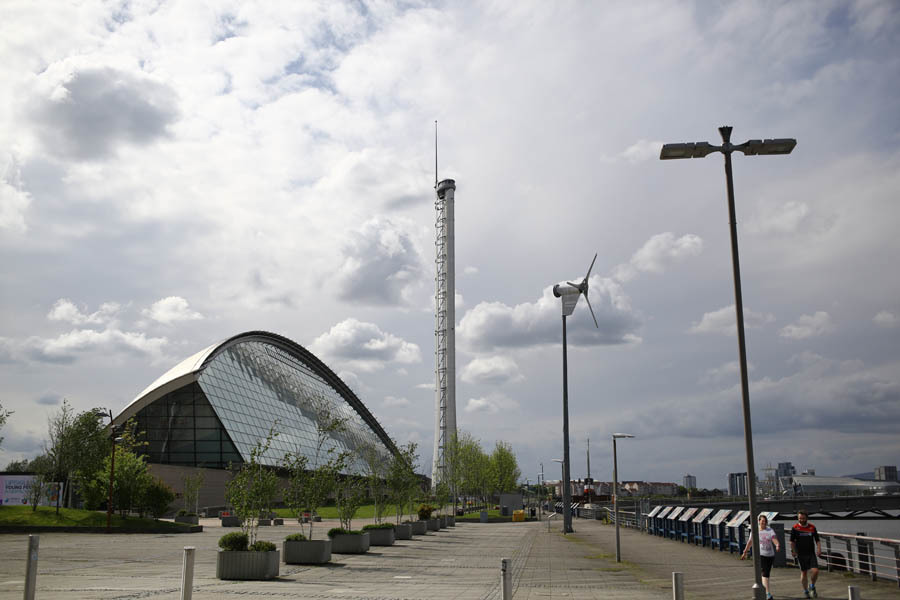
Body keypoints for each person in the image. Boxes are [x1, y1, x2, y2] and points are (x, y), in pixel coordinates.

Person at [741, 514, 781, 600]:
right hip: (760, 555)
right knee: (765, 573)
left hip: (770, 555)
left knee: (766, 573)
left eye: (765, 521)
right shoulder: (755, 531)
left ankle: (764, 590)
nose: (764, 523)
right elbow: (750, 542)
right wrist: (745, 552)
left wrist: (777, 545)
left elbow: (774, 538)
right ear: (759, 521)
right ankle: (767, 593)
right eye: (762, 521)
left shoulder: (770, 530)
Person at [790, 509, 821, 598]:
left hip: (811, 553)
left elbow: (817, 540)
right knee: (804, 572)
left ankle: (812, 586)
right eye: (800, 518)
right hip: (800, 554)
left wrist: (819, 549)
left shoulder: (812, 527)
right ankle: (806, 591)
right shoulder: (795, 528)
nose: (801, 520)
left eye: (803, 518)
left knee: (815, 571)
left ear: (807, 518)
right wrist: (793, 551)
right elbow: (792, 541)